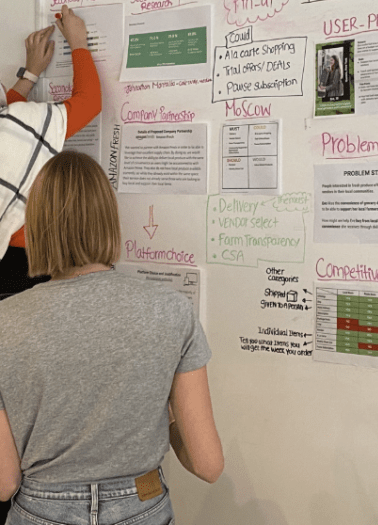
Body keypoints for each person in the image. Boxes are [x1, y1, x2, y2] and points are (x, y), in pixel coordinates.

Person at [0, 151, 224, 525]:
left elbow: (4, 481)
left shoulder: (4, 322)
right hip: (143, 505)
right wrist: (167, 419)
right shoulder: (171, 310)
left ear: (36, 225)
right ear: (108, 218)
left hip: (41, 510)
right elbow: (208, 464)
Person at [0, 5, 101, 300]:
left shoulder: (9, 125)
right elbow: (89, 102)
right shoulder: (11, 127)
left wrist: (30, 75)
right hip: (27, 261)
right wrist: (78, 43)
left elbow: (11, 125)